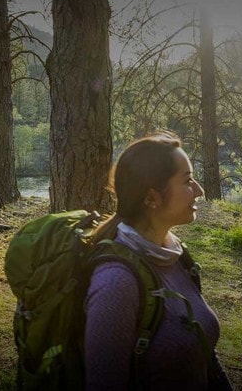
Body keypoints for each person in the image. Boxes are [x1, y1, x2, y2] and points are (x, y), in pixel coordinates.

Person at [84, 132, 230, 390]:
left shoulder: (176, 255)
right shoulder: (116, 283)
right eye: (187, 181)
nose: (199, 190)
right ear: (152, 198)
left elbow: (202, 352)